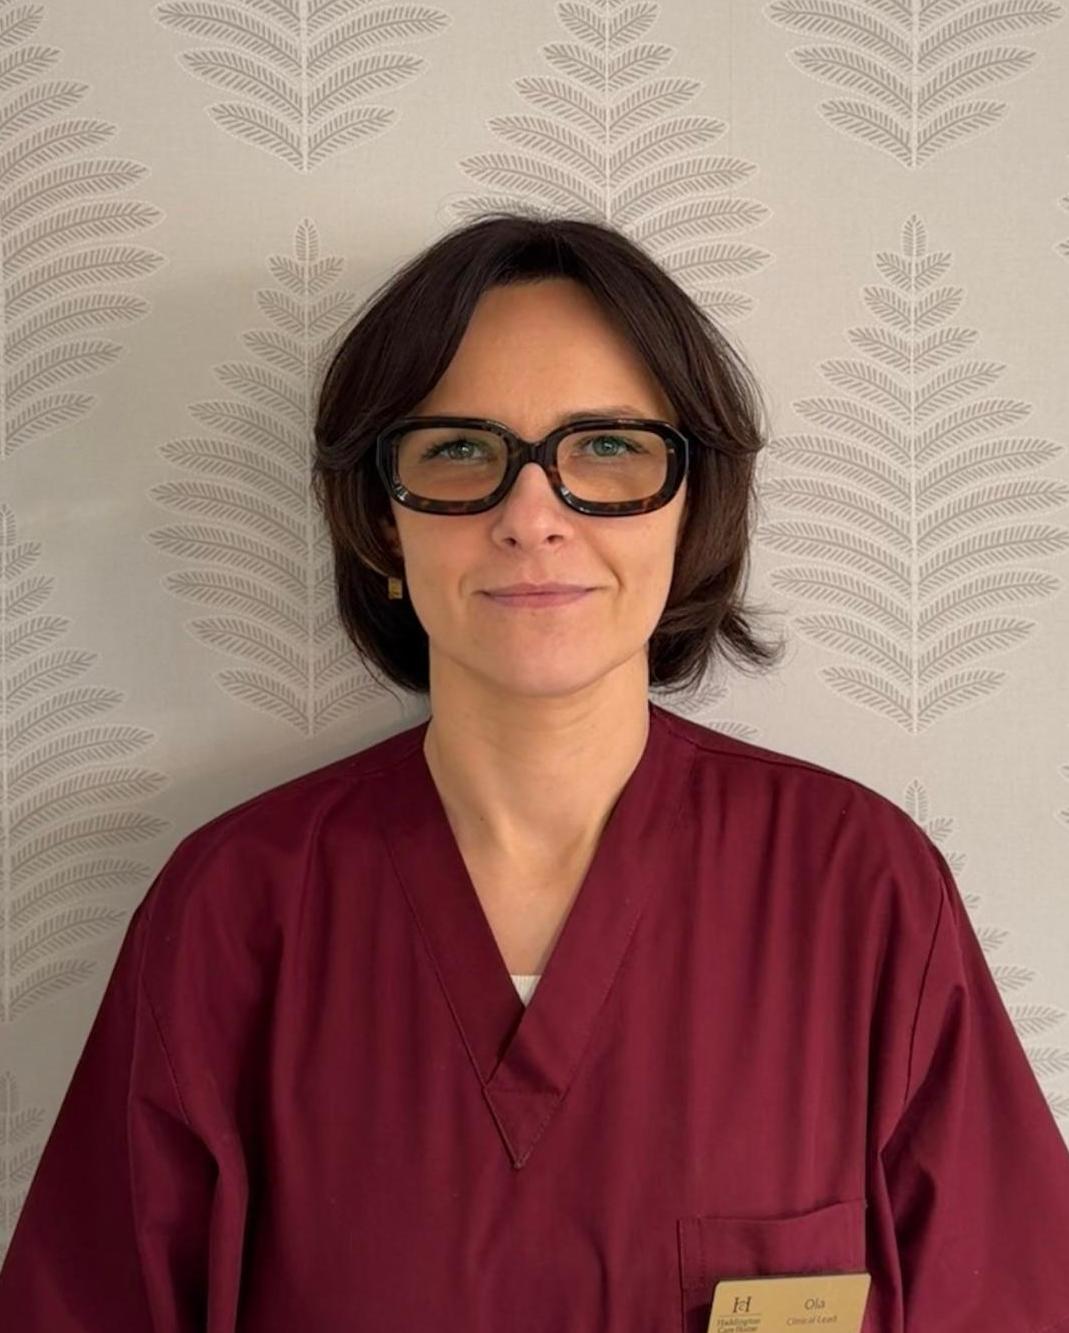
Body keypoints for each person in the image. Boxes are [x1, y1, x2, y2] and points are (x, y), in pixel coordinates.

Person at [1, 212, 1067, 1333]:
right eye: (460, 451)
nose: (532, 516)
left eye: (606, 448)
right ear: (378, 520)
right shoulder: (235, 908)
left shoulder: (857, 888)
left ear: (691, 502)